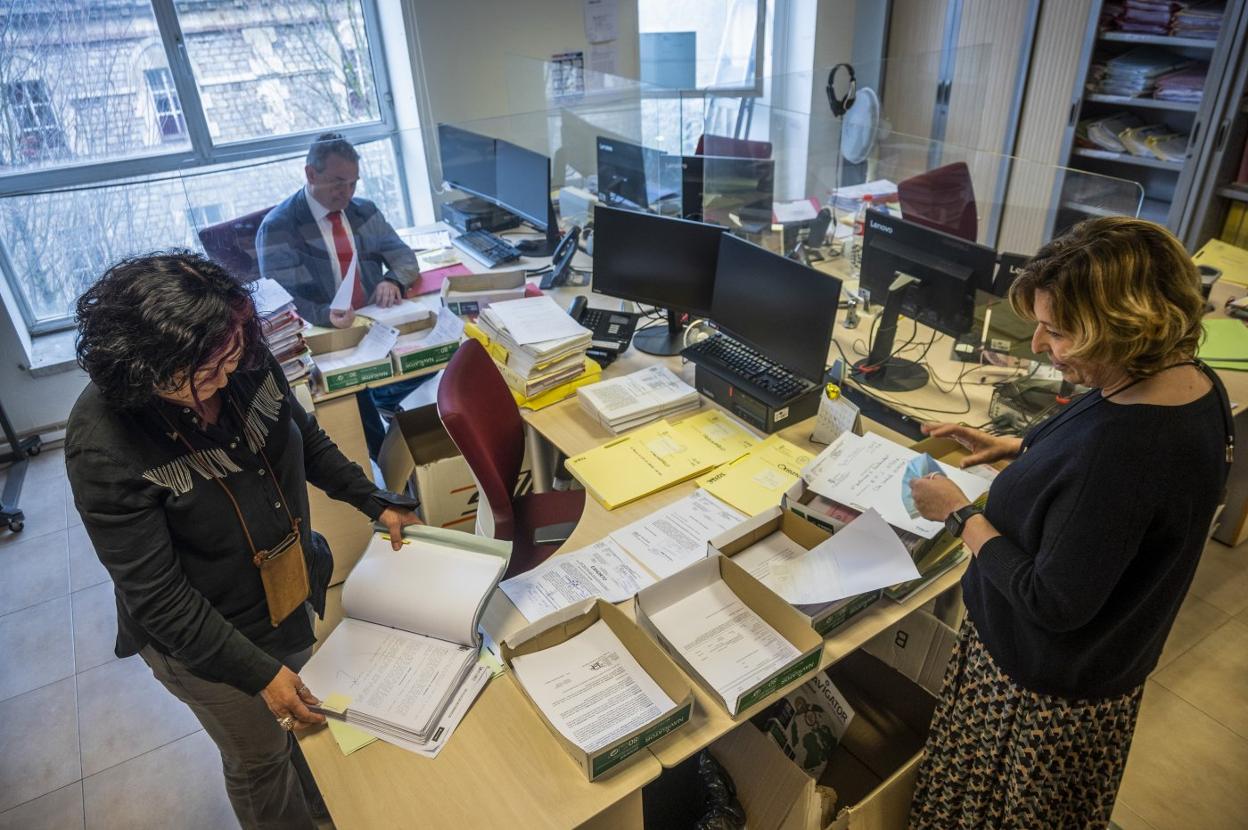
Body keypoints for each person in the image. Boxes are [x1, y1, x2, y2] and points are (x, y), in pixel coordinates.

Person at [66, 252, 422, 829]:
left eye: (231, 358)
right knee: (259, 755)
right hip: (202, 633)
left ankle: (324, 811)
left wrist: (374, 501)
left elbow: (302, 437)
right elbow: (157, 598)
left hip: (282, 594)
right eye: (203, 375)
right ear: (143, 371)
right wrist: (258, 674)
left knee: (302, 723)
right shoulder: (103, 444)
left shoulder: (242, 352)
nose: (226, 379)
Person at [905, 217, 1232, 829]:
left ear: (1126, 331)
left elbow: (1052, 601)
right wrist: (1023, 449)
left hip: (1034, 699)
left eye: (1056, 332)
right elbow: (1102, 475)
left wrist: (960, 515)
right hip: (1100, 669)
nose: (1036, 346)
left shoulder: (1125, 454)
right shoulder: (1188, 384)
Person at [255, 131, 425, 459]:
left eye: (353, 183)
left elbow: (404, 257)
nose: (346, 193)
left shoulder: (363, 211)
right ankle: (387, 463)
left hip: (376, 321)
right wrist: (324, 314)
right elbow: (283, 299)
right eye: (337, 182)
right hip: (326, 335)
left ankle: (393, 418)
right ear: (310, 174)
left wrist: (393, 281)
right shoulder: (279, 227)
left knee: (439, 358)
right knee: (357, 401)